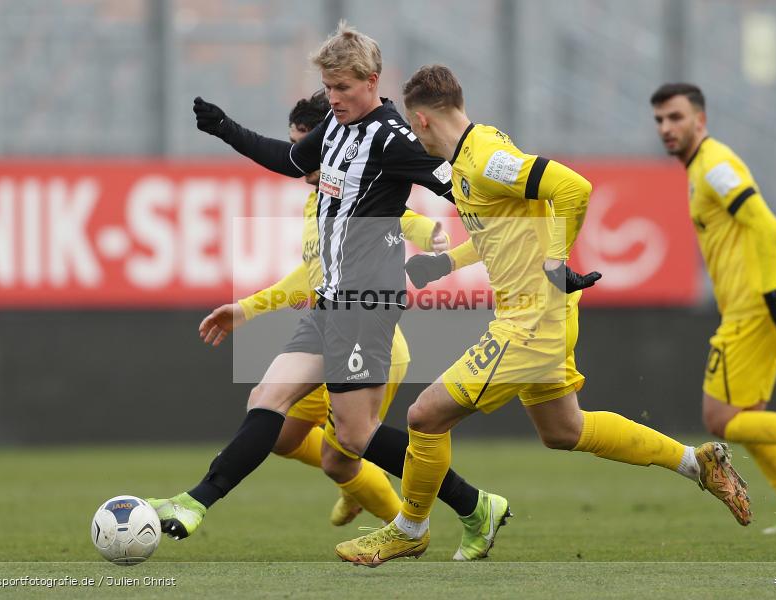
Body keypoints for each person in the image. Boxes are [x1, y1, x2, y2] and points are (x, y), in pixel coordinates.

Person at [335, 65, 751, 567]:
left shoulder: (485, 158)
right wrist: (446, 262)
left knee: (424, 416)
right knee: (564, 431)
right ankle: (696, 463)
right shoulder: (474, 155)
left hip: (529, 321)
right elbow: (503, 230)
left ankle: (410, 527)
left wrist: (557, 258)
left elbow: (573, 188)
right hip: (540, 314)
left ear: (420, 120)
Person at [149, 24, 509, 561]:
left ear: (371, 81)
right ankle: (194, 502)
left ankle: (475, 504)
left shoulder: (392, 137)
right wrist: (225, 128)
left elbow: (458, 188)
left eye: (341, 87)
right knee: (271, 404)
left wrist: (525, 246)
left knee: (356, 440)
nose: (333, 98)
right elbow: (287, 160)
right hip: (328, 301)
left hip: (367, 306)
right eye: (327, 86)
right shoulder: (336, 130)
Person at [650, 82, 776, 534]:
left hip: (754, 306)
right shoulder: (699, 167)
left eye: (676, 117)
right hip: (753, 303)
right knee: (748, 420)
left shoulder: (714, 164)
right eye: (660, 119)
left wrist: (769, 295)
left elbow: (764, 220)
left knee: (719, 418)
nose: (666, 127)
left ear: (700, 120)